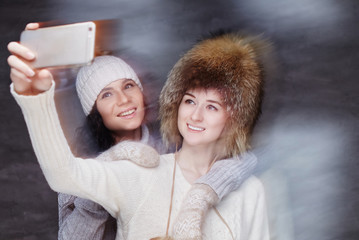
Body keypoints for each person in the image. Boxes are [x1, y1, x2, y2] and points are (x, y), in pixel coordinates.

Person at [8, 23, 258, 240]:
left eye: (129, 86)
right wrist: (105, 176)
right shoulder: (82, 166)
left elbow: (242, 158)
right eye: (106, 94)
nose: (124, 99)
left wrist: (201, 197)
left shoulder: (171, 145)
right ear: (94, 113)